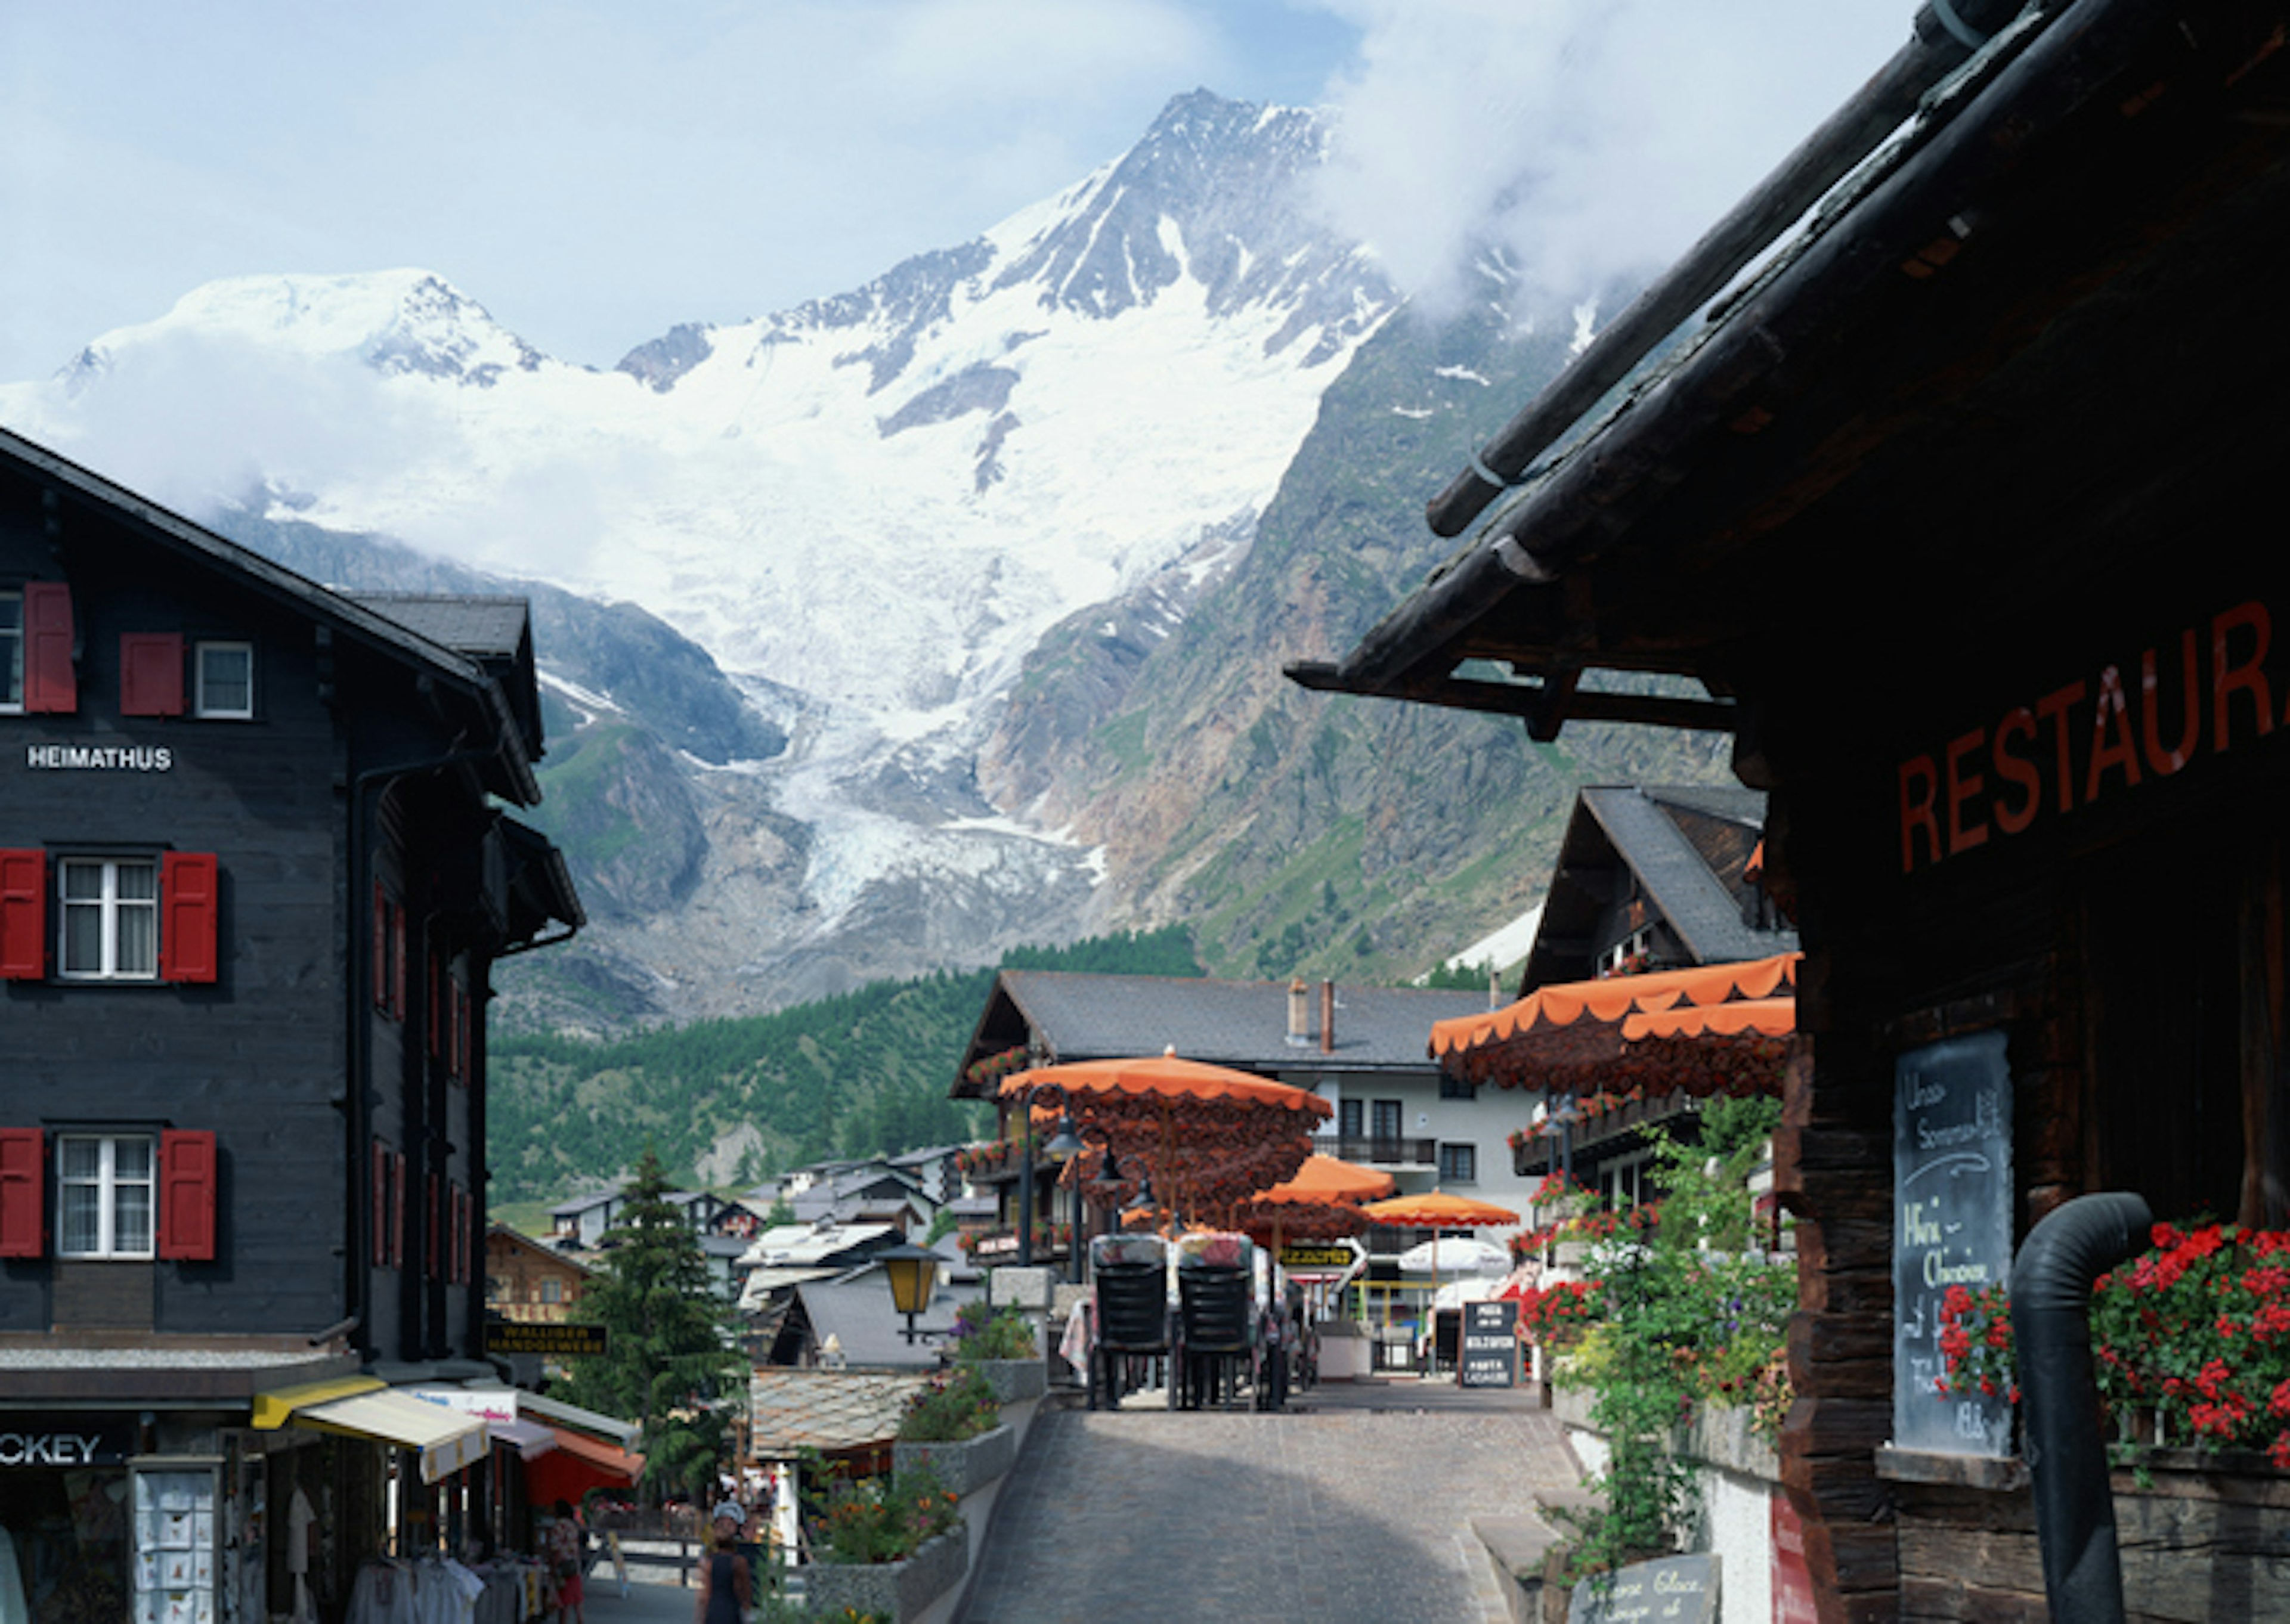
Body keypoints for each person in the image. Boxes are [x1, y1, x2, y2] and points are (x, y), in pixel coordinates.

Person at [692, 1504, 751, 1624]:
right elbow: (743, 1588)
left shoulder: (709, 1561)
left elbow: (704, 1593)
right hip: (731, 1612)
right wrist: (746, 1609)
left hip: (713, 1611)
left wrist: (700, 1617)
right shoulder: (739, 1561)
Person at [547, 1499, 586, 1624]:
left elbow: (556, 1548)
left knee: (564, 1600)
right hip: (574, 1565)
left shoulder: (558, 1526)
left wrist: (554, 1567)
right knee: (576, 1600)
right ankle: (580, 1621)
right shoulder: (573, 1526)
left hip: (563, 1566)